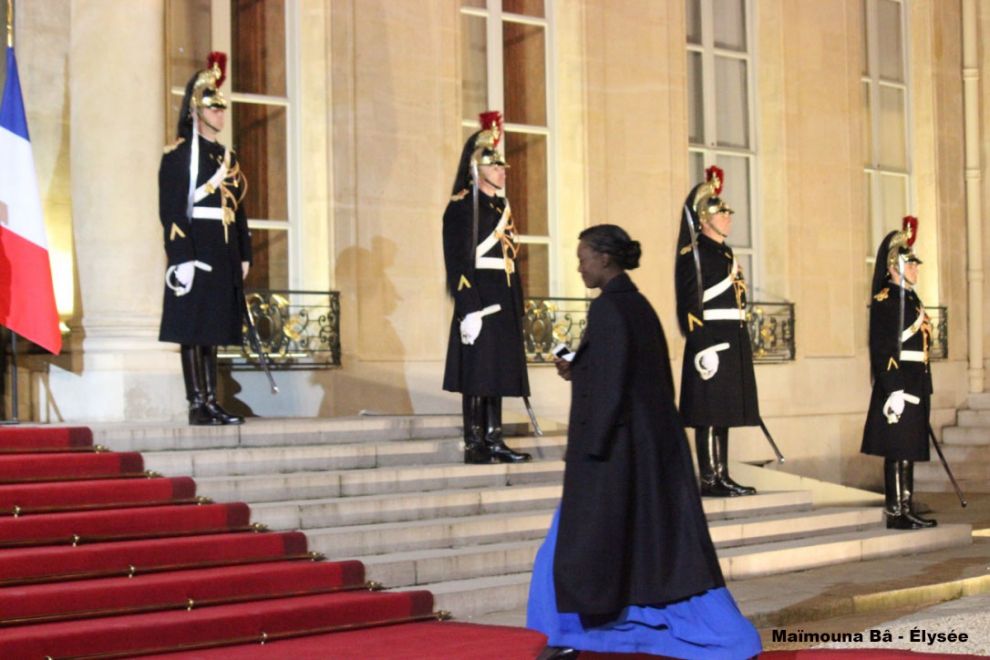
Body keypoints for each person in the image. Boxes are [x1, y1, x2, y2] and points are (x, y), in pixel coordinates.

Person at [527, 225, 761, 659]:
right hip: (643, 447)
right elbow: (631, 375)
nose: (579, 266)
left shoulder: (609, 310)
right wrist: (579, 368)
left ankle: (565, 636)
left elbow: (615, 385)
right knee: (623, 549)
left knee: (569, 549)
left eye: (583, 257)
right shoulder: (636, 305)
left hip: (616, 452)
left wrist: (588, 449)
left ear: (604, 258)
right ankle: (569, 636)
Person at [158, 52, 251, 426]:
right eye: (214, 108)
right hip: (196, 249)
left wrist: (243, 253)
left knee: (212, 329)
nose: (221, 114)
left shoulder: (226, 157)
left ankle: (213, 400)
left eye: (222, 108)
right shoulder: (179, 156)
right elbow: (172, 210)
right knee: (194, 329)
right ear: (196, 110)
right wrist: (182, 257)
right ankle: (197, 402)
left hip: (223, 248)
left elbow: (238, 207)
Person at [442, 111, 531, 464]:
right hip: (479, 297)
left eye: (502, 166)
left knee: (498, 371)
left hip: (502, 295)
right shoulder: (464, 207)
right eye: (495, 166)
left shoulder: (500, 206)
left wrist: (517, 303)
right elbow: (458, 261)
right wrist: (469, 307)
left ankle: (495, 437)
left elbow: (510, 258)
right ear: (478, 169)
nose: (503, 171)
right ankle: (475, 441)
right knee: (478, 373)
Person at [675, 166, 760, 497]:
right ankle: (709, 476)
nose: (728, 216)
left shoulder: (725, 252)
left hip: (731, 336)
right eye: (720, 211)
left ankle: (722, 473)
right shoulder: (694, 253)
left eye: (727, 211)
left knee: (723, 411)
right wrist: (702, 345)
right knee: (709, 411)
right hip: (710, 339)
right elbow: (690, 304)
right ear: (703, 218)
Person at [862, 216, 937, 530]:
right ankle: (895, 510)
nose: (916, 269)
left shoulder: (910, 298)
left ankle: (906, 505)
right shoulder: (886, 300)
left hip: (914, 380)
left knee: (908, 447)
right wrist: (892, 388)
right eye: (911, 264)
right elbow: (882, 347)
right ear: (894, 267)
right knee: (897, 448)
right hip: (899, 382)